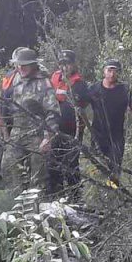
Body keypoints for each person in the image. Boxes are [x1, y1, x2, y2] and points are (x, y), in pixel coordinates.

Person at [0, 47, 60, 188]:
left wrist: (47, 138)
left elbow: (53, 112)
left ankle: (40, 206)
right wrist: (5, 134)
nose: (21, 68)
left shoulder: (43, 83)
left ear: (33, 65)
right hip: (16, 132)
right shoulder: (13, 80)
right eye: (19, 64)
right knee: (8, 167)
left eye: (25, 65)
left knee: (39, 176)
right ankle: (18, 203)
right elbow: (5, 108)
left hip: (37, 134)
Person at [87, 58, 132, 175]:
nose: (112, 74)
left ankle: (114, 191)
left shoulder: (125, 90)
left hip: (117, 137)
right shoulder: (94, 89)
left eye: (116, 71)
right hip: (97, 135)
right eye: (109, 70)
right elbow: (80, 107)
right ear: (104, 71)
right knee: (97, 169)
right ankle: (99, 191)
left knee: (114, 170)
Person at [47, 49, 91, 194]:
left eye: (67, 64)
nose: (64, 67)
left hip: (72, 131)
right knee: (53, 163)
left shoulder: (79, 84)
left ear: (73, 65)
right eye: (61, 64)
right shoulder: (54, 78)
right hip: (54, 129)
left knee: (71, 164)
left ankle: (75, 196)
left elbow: (82, 107)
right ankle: (56, 195)